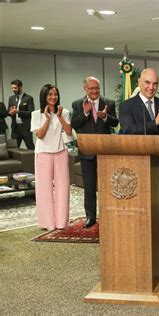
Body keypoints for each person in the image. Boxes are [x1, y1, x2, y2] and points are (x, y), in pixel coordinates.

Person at [120, 68, 159, 262]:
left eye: (154, 84)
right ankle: (136, 247)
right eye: (147, 83)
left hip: (158, 165)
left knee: (156, 209)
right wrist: (157, 121)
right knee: (138, 210)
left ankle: (155, 248)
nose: (151, 87)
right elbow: (130, 132)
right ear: (139, 82)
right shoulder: (127, 106)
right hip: (136, 167)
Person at [71, 76, 119, 229]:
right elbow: (75, 125)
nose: (95, 91)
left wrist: (105, 117)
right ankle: (90, 217)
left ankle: (108, 214)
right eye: (91, 88)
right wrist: (85, 113)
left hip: (105, 151)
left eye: (97, 88)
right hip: (87, 151)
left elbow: (115, 122)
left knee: (107, 185)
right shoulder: (78, 104)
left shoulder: (109, 103)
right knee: (89, 186)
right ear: (85, 89)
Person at [30, 84, 71, 230]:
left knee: (62, 188)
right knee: (44, 189)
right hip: (43, 154)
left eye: (55, 94)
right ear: (44, 96)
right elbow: (40, 135)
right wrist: (47, 119)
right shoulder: (36, 114)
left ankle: (61, 223)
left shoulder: (64, 112)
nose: (53, 97)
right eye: (50, 94)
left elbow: (69, 132)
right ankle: (47, 223)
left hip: (61, 152)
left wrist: (59, 117)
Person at [8, 79, 35, 149]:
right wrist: (10, 113)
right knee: (13, 149)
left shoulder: (28, 98)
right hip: (15, 128)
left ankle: (34, 160)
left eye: (15, 88)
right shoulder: (11, 98)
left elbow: (31, 113)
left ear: (21, 87)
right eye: (12, 88)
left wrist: (18, 112)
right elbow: (9, 112)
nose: (13, 90)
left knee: (30, 147)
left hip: (25, 128)